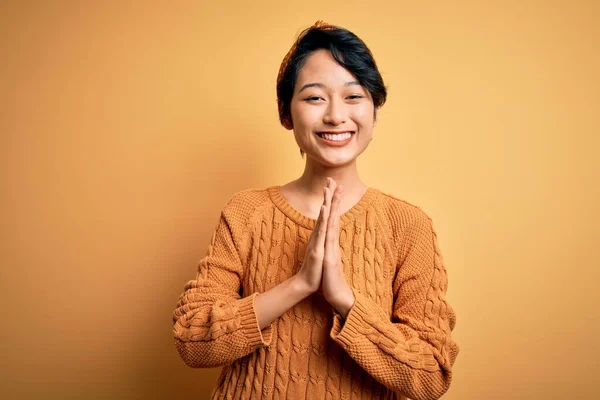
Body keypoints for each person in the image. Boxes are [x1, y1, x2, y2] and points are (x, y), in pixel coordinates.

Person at [172, 20, 459, 400]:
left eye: (354, 97)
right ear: (286, 113)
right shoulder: (246, 212)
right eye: (314, 98)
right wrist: (299, 284)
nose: (336, 115)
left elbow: (430, 375)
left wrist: (344, 298)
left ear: (375, 111)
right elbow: (191, 339)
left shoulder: (408, 226)